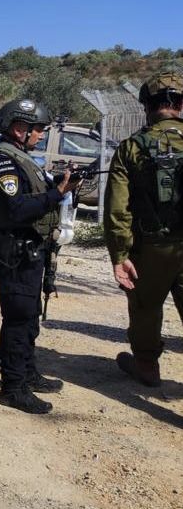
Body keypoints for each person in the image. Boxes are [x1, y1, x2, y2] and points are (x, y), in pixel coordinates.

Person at [0, 99, 81, 414]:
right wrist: (57, 193)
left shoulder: (21, 158)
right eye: (38, 129)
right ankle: (13, 387)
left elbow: (35, 195)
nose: (41, 135)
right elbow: (17, 209)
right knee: (18, 319)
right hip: (15, 252)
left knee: (30, 316)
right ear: (19, 128)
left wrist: (63, 185)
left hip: (30, 251)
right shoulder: (1, 162)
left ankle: (28, 373)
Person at [103, 71, 183, 388]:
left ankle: (147, 366)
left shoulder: (131, 148)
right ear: (180, 104)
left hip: (150, 248)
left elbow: (117, 208)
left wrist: (119, 254)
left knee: (145, 308)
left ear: (147, 106)